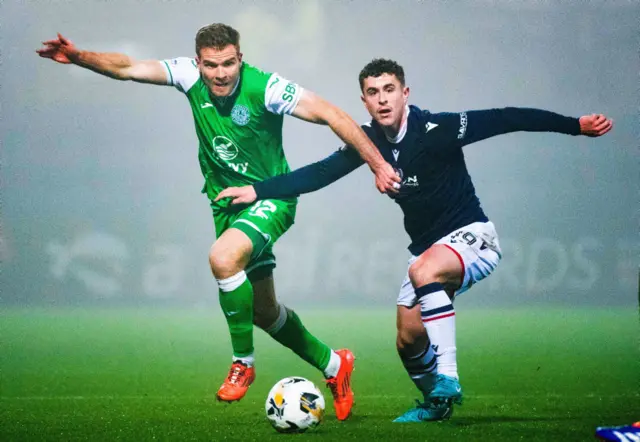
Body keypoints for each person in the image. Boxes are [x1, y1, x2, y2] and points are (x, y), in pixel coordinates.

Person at [215, 58, 614, 422]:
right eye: (373, 93)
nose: (382, 99)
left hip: (474, 236)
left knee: (425, 270)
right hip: (428, 249)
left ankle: (449, 379)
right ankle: (435, 404)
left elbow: (505, 118)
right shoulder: (368, 143)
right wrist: (258, 191)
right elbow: (319, 173)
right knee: (407, 338)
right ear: (365, 102)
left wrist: (574, 124)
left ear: (405, 93)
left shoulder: (436, 130)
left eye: (389, 89)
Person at [36, 24, 401, 421]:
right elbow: (127, 68)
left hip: (269, 197)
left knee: (223, 258)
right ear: (199, 63)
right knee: (264, 313)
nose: (221, 73)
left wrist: (378, 165)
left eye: (229, 63)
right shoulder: (188, 76)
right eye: (212, 65)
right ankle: (335, 365)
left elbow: (332, 114)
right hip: (226, 205)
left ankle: (242, 362)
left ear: (240, 58)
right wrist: (77, 56)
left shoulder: (267, 87)